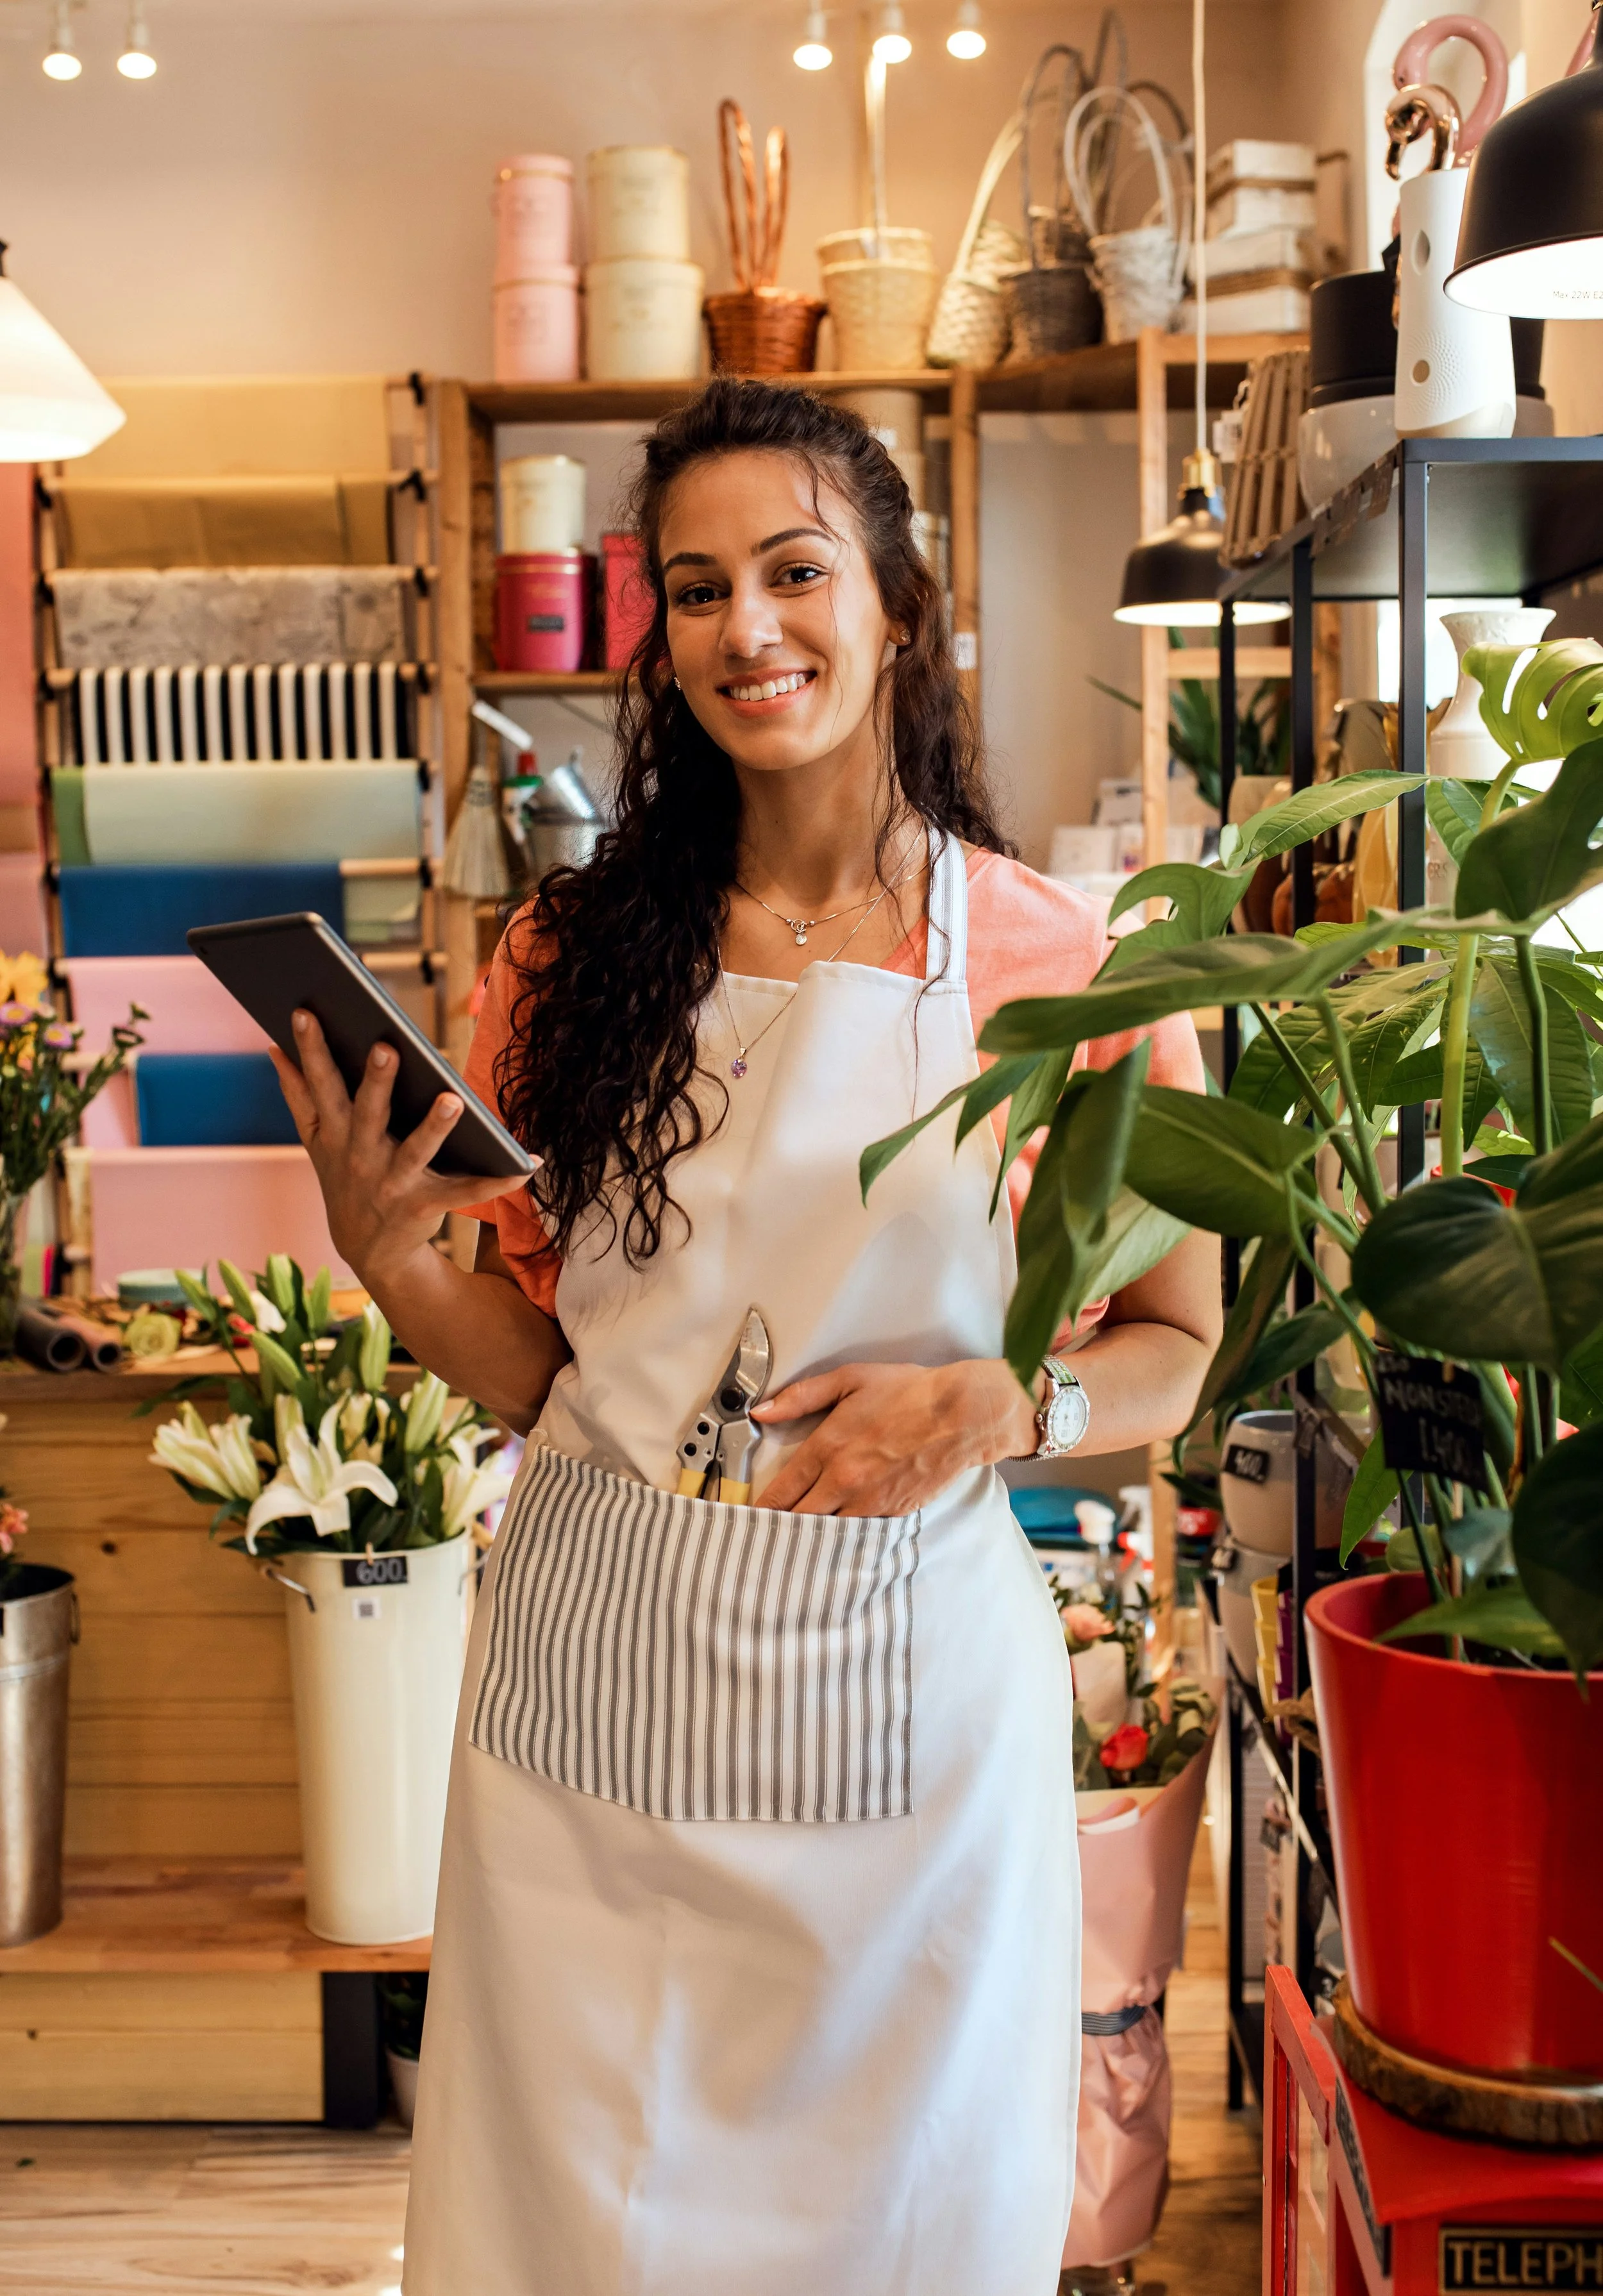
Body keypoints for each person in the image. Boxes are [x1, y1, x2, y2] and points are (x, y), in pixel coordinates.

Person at [273, 376, 1221, 2296]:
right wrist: (393, 1262)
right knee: (574, 2233)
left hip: (907, 1742)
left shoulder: (1072, 959)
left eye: (795, 570)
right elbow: (548, 1372)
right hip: (588, 1726)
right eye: (693, 590)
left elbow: (1180, 1343)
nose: (746, 628)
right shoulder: (568, 955)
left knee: (908, 2230)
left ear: (895, 606)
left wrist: (1001, 1400)